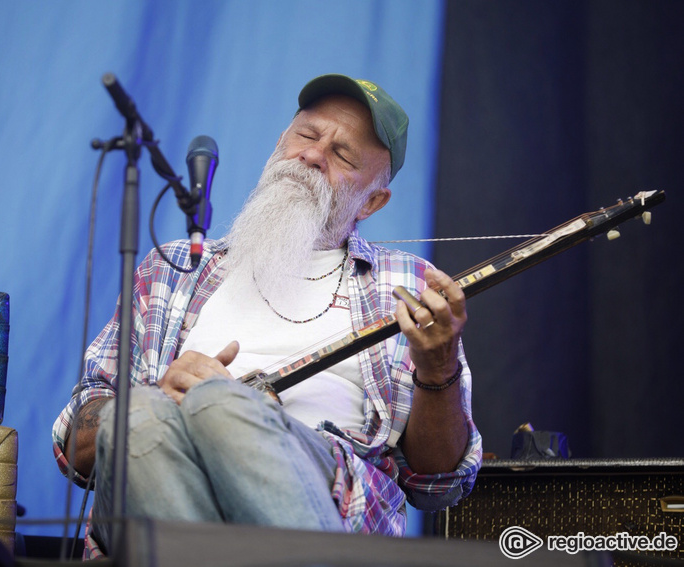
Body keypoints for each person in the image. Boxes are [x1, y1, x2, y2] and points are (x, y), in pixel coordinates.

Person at [53, 74, 482, 559]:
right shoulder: (171, 269)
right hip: (162, 477)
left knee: (221, 407)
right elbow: (77, 444)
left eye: (343, 155)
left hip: (328, 501)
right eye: (306, 134)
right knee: (140, 417)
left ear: (373, 201)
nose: (314, 155)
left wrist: (437, 368)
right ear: (280, 143)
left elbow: (440, 483)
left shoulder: (410, 286)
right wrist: (158, 396)